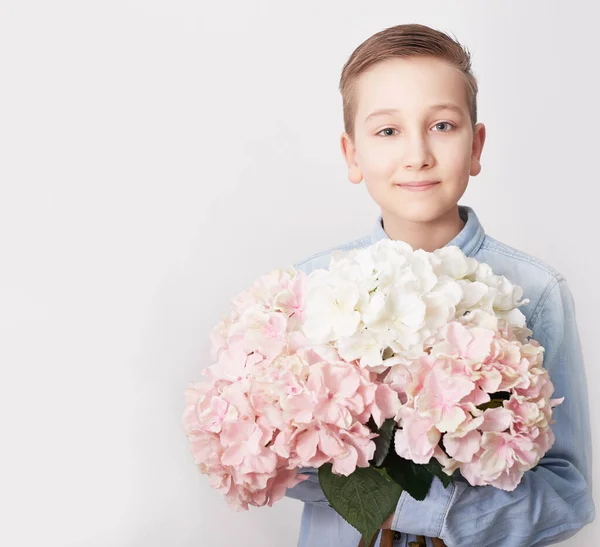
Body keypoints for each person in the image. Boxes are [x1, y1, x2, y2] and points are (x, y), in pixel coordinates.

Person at [284, 23, 595, 546]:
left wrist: (418, 509)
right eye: (388, 131)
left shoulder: (534, 291)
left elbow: (569, 493)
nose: (418, 154)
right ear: (352, 155)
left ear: (476, 146)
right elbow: (284, 460)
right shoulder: (312, 287)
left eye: (443, 126)